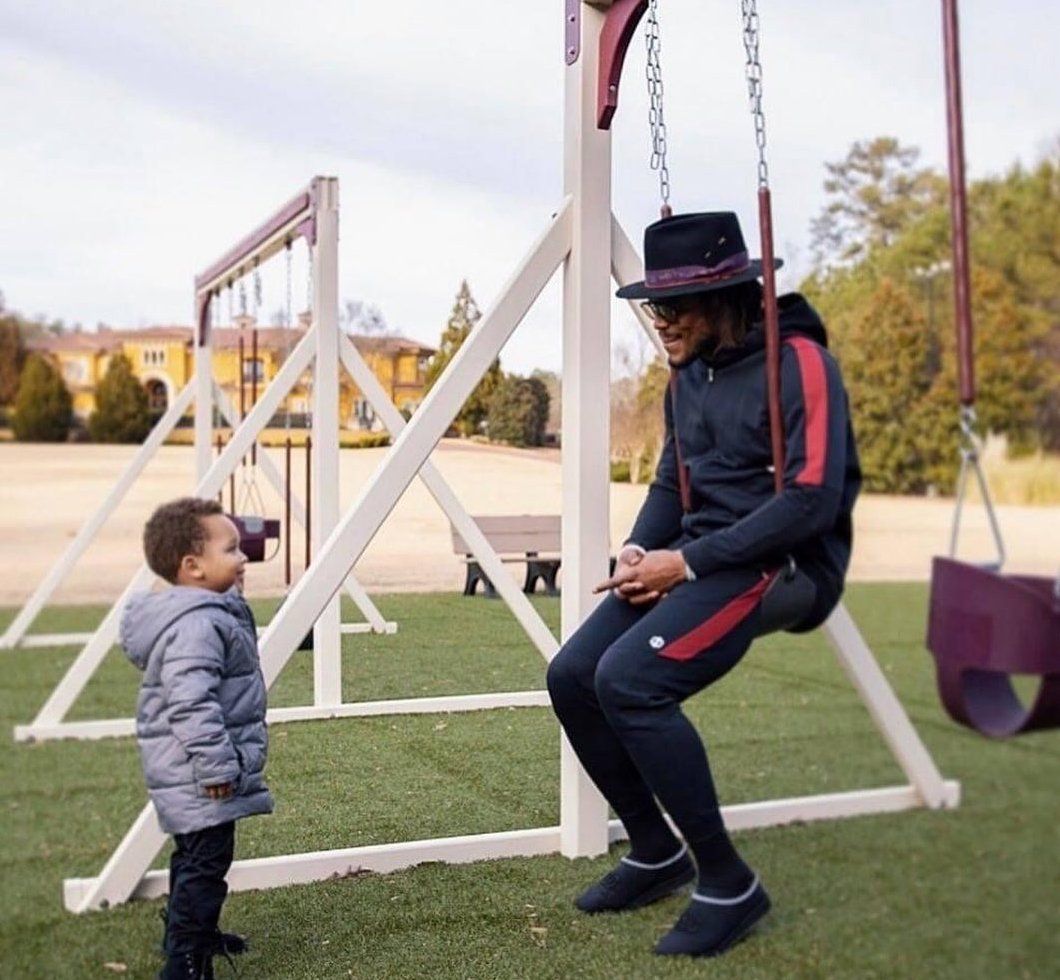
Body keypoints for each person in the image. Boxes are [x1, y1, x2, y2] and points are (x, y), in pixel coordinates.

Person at [546, 211, 861, 958]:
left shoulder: (802, 364)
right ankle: (656, 852)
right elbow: (670, 484)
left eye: (674, 305)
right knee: (573, 675)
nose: (659, 321)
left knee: (630, 680)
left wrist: (684, 565)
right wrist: (639, 549)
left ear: (724, 296)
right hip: (702, 558)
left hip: (788, 563)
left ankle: (728, 883)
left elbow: (812, 501)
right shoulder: (685, 377)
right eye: (654, 305)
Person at [120, 497, 273, 979]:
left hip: (191, 770)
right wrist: (217, 766)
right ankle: (185, 960)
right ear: (193, 567)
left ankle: (189, 932)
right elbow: (190, 704)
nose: (243, 557)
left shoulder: (207, 611)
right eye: (231, 549)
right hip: (199, 773)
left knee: (196, 856)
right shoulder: (197, 624)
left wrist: (231, 591)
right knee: (206, 860)